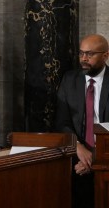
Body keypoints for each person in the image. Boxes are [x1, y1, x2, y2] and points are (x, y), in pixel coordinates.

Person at [55, 34, 109, 208]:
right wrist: (78, 147)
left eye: (90, 54)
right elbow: (61, 122)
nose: (84, 59)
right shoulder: (69, 80)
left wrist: (93, 158)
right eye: (81, 53)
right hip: (75, 156)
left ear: (105, 55)